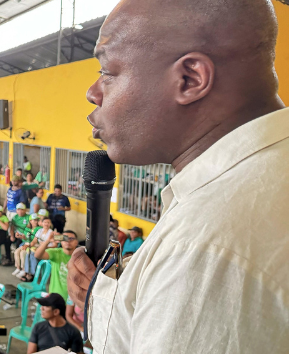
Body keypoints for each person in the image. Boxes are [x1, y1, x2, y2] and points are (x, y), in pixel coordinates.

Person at [66, 3, 289, 353]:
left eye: (108, 71)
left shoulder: (206, 248)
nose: (93, 93)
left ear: (190, 79)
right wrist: (116, 293)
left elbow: (203, 277)